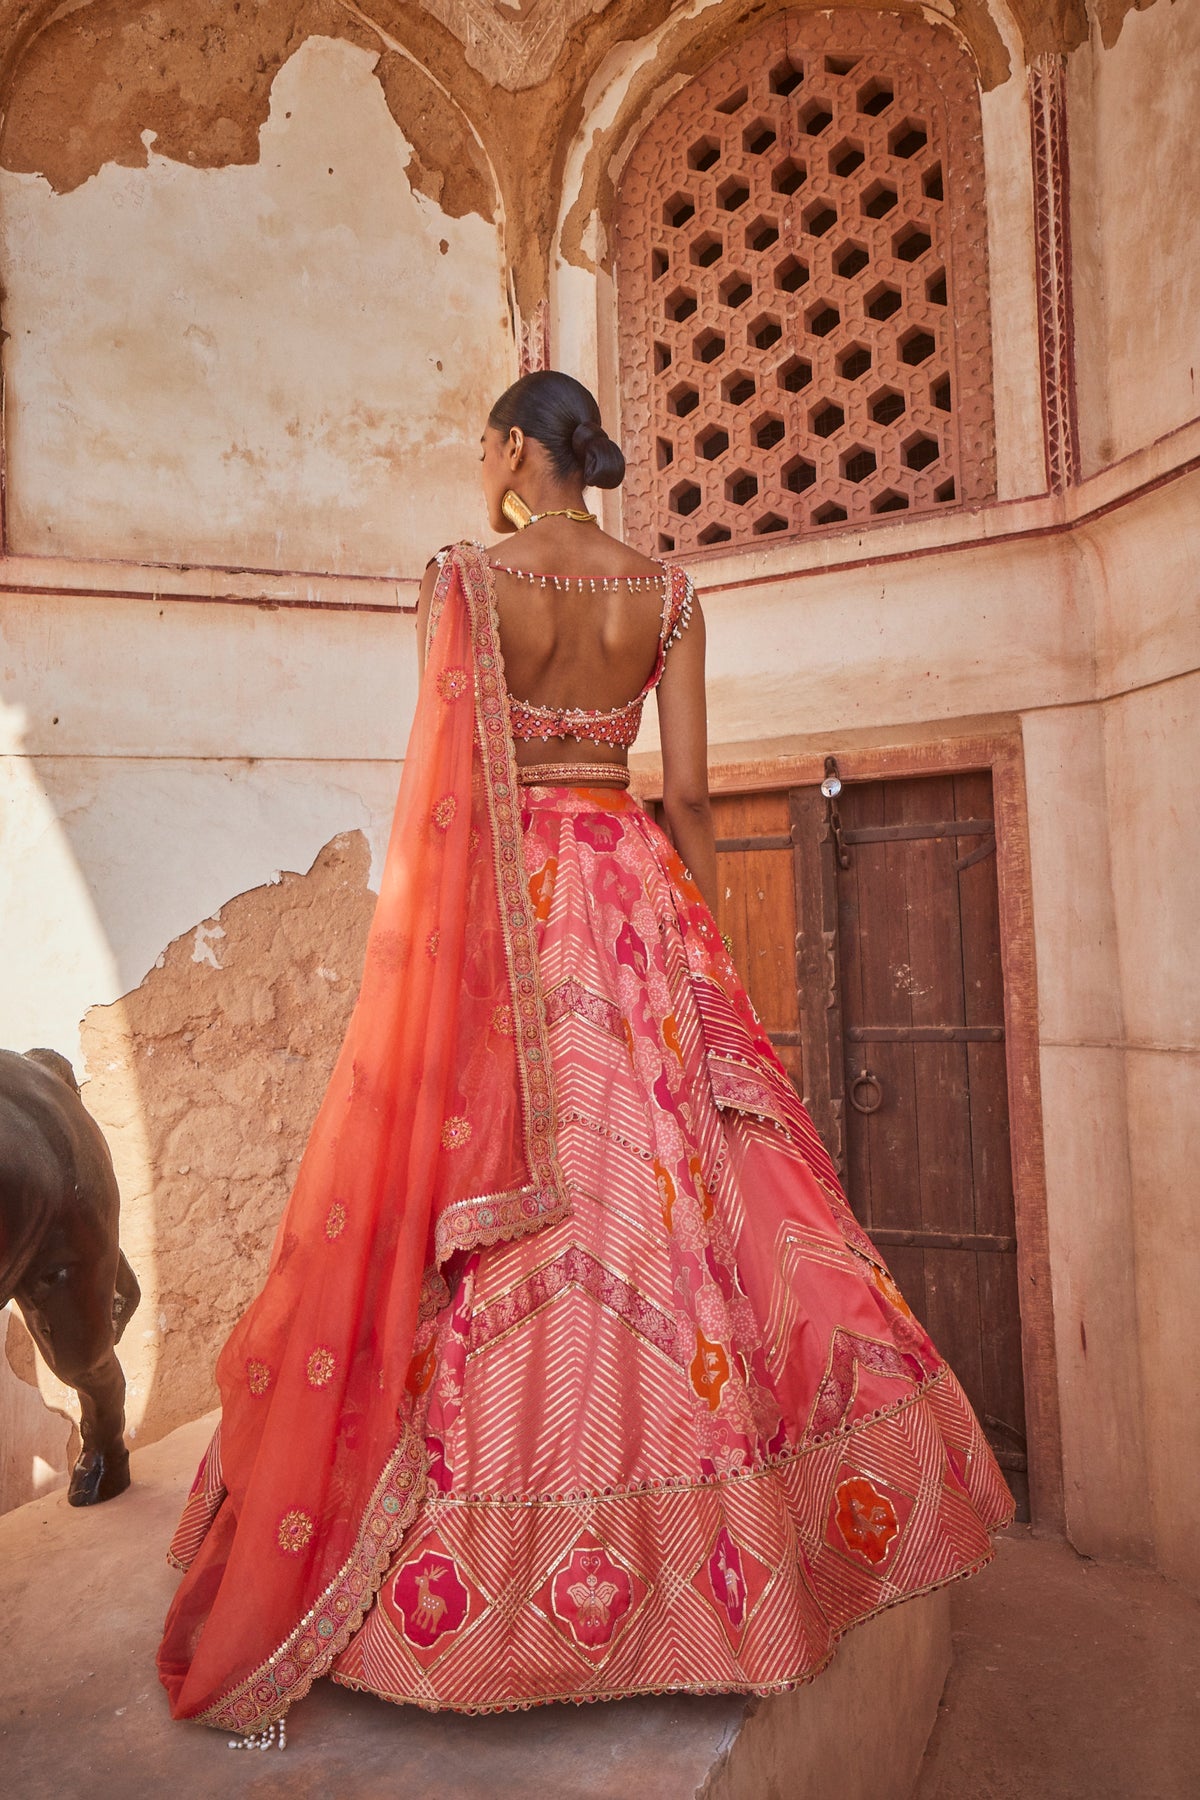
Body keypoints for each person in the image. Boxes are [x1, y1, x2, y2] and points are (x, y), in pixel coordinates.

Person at [157, 372, 1011, 1744]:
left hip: (515, 911)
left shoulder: (467, 583)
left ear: (509, 449)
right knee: (677, 1190)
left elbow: (449, 790)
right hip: (635, 886)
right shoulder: (667, 596)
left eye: (483, 443)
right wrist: (692, 952)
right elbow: (684, 793)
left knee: (498, 1197)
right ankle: (719, 1565)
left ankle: (479, 1580)